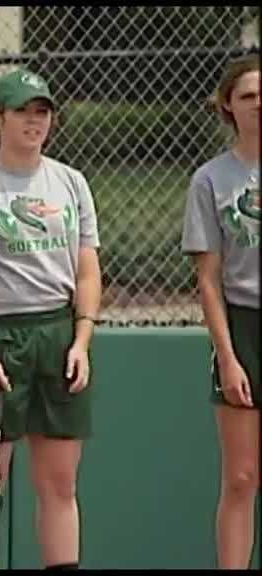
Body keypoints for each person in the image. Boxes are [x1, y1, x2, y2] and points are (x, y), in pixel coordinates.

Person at [0, 69, 102, 570]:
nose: (35, 121)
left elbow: (87, 269)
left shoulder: (71, 182)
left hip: (57, 335)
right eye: (22, 111)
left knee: (61, 484)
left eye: (43, 112)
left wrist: (81, 340)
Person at [181, 52, 260, 570]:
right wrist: (228, 357)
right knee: (241, 476)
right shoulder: (211, 179)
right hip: (243, 325)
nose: (260, 105)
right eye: (249, 96)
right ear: (229, 106)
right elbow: (207, 279)